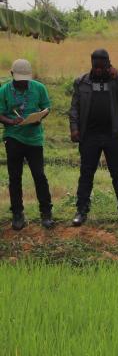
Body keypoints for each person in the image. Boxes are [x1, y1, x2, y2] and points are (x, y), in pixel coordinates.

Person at [69, 48, 118, 225]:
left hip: (113, 135)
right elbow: (75, 108)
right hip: (89, 135)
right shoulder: (82, 82)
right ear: (91, 64)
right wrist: (74, 128)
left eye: (102, 66)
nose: (98, 69)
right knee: (86, 173)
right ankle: (81, 211)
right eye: (95, 66)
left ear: (108, 64)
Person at [0, 59, 52, 229]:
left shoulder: (39, 88)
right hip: (13, 137)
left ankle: (46, 213)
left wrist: (39, 117)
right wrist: (11, 121)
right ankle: (17, 213)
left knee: (39, 175)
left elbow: (46, 108)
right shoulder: (4, 91)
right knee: (15, 177)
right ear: (12, 75)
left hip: (34, 139)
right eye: (19, 79)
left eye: (25, 79)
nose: (22, 82)